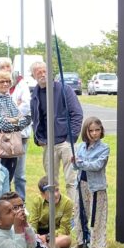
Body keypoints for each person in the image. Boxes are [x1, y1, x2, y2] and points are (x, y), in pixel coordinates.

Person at [30, 61, 83, 202]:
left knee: (71, 180)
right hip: (48, 144)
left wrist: (70, 139)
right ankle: (56, 211)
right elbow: (35, 118)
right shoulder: (34, 94)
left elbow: (77, 114)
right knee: (51, 183)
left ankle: (73, 211)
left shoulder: (64, 89)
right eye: (38, 72)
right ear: (33, 75)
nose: (42, 74)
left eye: (44, 71)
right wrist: (38, 139)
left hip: (65, 142)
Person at [0, 191, 74, 248]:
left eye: (22, 206)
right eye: (15, 208)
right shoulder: (1, 229)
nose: (20, 211)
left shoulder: (23, 224)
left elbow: (37, 246)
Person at [0, 58, 31, 198]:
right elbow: (1, 123)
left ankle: (12, 206)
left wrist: (13, 119)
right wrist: (16, 121)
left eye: (7, 81)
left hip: (12, 144)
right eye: (1, 82)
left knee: (11, 175)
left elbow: (23, 115)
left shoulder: (7, 97)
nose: (5, 84)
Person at [75, 117, 110, 248]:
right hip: (82, 183)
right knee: (81, 213)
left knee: (98, 215)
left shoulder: (104, 148)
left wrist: (80, 162)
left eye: (97, 130)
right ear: (86, 131)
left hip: (97, 186)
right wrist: (74, 161)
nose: (95, 133)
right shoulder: (80, 147)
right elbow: (75, 167)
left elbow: (97, 166)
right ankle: (81, 240)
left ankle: (97, 245)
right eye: (91, 130)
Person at [29, 176, 73, 248]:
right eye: (51, 192)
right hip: (39, 235)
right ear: (42, 194)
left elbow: (64, 229)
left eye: (57, 190)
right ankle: (42, 247)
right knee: (24, 236)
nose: (55, 194)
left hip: (55, 236)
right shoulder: (37, 201)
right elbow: (33, 223)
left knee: (66, 240)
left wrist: (47, 237)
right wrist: (35, 235)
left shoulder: (67, 203)